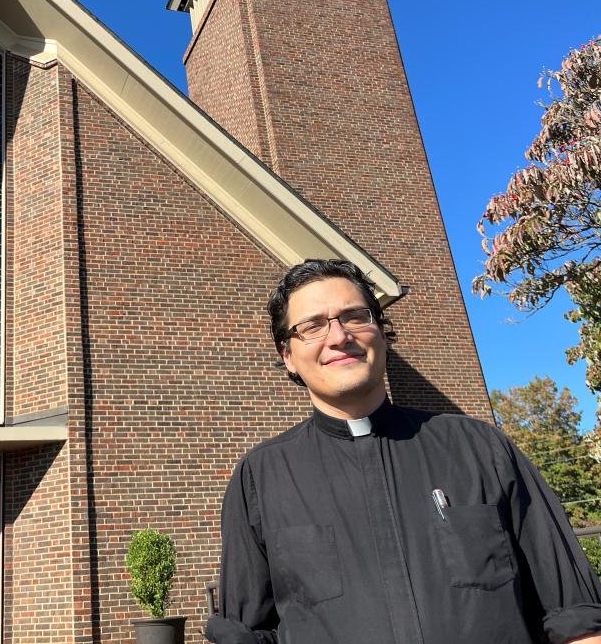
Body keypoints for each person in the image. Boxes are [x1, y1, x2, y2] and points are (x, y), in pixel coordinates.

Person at [205, 259, 601, 644]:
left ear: (382, 332)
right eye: (312, 326)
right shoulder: (261, 476)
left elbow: (576, 615)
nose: (339, 336)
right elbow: (248, 633)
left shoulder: (482, 448)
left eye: (355, 316)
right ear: (288, 357)